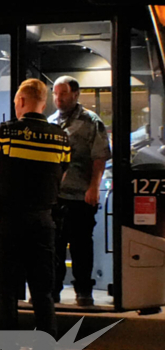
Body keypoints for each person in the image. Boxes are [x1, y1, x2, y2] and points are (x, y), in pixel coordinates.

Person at [0, 78, 71, 350]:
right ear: (44, 103)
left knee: (7, 297)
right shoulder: (61, 137)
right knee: (43, 297)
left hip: (9, 225)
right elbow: (61, 174)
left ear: (20, 101)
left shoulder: (5, 132)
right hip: (43, 225)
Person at [48, 76, 111, 307]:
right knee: (54, 246)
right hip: (55, 196)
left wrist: (94, 187)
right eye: (55, 94)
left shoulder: (91, 122)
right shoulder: (51, 121)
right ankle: (52, 292)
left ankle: (84, 292)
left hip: (80, 195)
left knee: (81, 247)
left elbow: (100, 156)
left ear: (75, 94)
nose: (58, 98)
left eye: (62, 93)